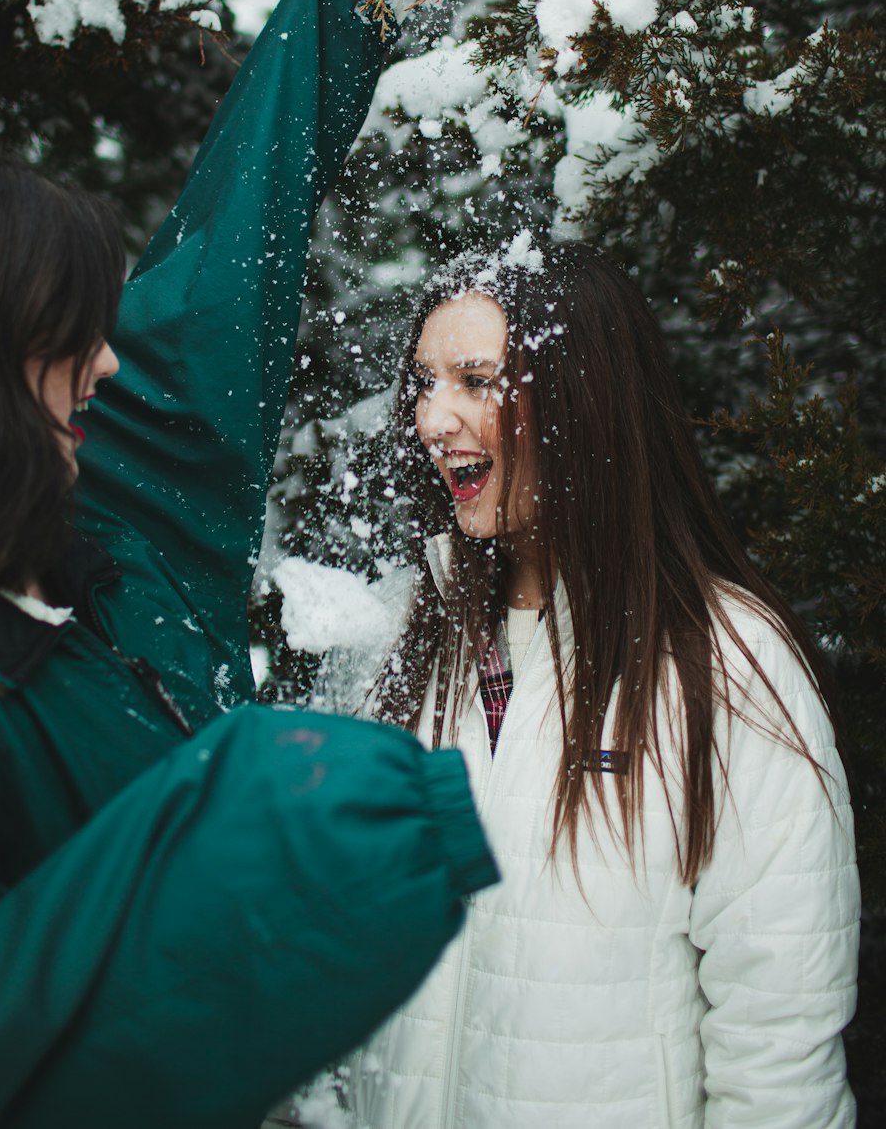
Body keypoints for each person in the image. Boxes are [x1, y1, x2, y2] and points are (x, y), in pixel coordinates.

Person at [0, 0, 498, 1129]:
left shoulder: (114, 527)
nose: (108, 364)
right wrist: (272, 832)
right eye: (70, 335)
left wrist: (343, 15)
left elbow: (222, 278)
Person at [329, 233, 860, 1129]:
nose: (430, 419)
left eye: (475, 380)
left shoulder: (726, 661)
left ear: (582, 402)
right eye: (424, 382)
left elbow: (778, 1035)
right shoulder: (418, 640)